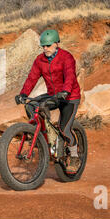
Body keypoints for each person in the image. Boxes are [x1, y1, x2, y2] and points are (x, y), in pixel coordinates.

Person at [15, 29, 81, 174]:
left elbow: (70, 76)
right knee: (31, 104)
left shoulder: (66, 57)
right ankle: (44, 136)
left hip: (70, 97)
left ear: (57, 43)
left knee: (64, 128)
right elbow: (32, 78)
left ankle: (75, 157)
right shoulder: (40, 60)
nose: (45, 49)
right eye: (43, 46)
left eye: (48, 45)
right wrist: (23, 94)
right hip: (53, 95)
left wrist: (65, 91)